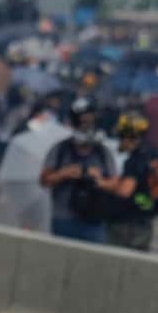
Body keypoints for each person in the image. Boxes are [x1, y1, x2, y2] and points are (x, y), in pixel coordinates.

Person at [39, 97, 114, 243]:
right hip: (63, 219)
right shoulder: (60, 149)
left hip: (94, 221)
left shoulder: (103, 153)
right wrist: (64, 173)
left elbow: (115, 184)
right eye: (82, 122)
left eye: (90, 121)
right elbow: (44, 180)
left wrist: (98, 180)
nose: (86, 126)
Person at [0, 102, 69, 231]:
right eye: (44, 116)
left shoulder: (55, 136)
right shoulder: (25, 133)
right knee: (29, 219)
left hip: (41, 186)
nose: (47, 119)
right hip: (29, 183)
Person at [96, 112, 158, 251]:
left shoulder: (133, 161)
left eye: (121, 136)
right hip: (144, 221)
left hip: (127, 226)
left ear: (129, 136)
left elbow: (125, 191)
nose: (120, 141)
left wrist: (101, 183)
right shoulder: (150, 156)